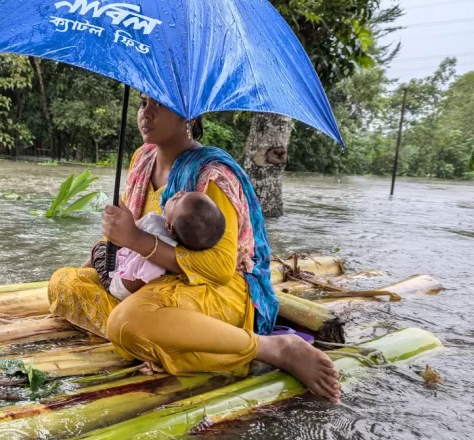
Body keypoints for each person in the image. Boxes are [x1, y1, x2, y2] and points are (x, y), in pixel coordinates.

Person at [49, 94, 340, 401]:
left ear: (189, 116)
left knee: (127, 323)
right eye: (143, 103)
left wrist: (137, 240)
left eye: (159, 105)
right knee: (64, 283)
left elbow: (220, 268)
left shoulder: (212, 176)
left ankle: (270, 348)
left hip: (212, 290)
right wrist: (107, 248)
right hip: (149, 282)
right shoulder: (141, 160)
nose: (145, 114)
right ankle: (164, 341)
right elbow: (126, 241)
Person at [93, 191, 226, 301]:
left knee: (98, 248)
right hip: (124, 274)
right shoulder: (177, 247)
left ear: (169, 227)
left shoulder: (157, 238)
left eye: (177, 200)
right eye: (186, 192)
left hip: (118, 286)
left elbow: (130, 285)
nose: (180, 192)